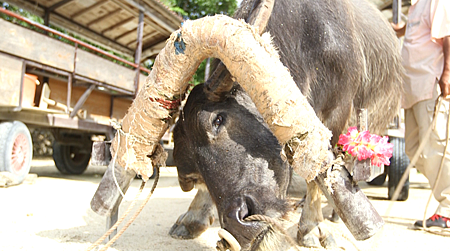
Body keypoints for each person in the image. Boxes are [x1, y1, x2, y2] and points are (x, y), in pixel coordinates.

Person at [392, 0, 450, 229]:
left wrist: (447, 74)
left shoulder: (437, 1)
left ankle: (447, 210)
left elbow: (447, 35)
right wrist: (400, 30)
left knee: (436, 146)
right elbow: (419, 32)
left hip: (430, 84)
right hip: (412, 89)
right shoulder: (416, 6)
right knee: (413, 149)